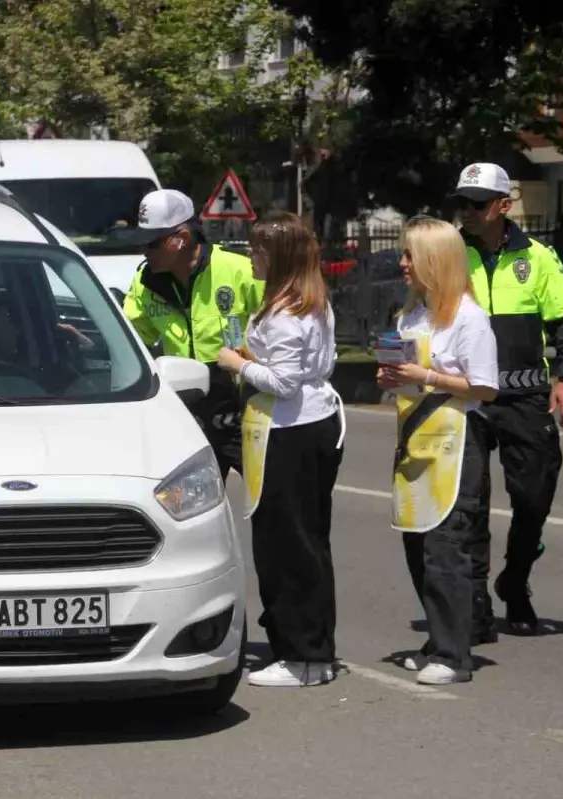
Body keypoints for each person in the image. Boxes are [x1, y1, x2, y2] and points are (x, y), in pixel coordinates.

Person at [453, 163, 563, 638]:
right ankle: (473, 608)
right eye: (461, 203)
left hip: (525, 396)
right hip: (466, 397)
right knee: (467, 506)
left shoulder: (540, 257)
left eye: (477, 203)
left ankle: (515, 579)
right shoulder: (450, 254)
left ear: (503, 206)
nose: (466, 212)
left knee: (533, 498)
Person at [215, 211, 345, 688]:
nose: (251, 257)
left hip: (290, 429)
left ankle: (303, 656)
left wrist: (237, 364)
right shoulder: (309, 303)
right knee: (306, 542)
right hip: (311, 423)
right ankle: (312, 648)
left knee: (288, 544)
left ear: (279, 257)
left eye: (258, 251)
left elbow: (286, 383)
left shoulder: (289, 314)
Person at [379, 216, 499, 685]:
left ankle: (453, 655)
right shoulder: (411, 314)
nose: (402, 263)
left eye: (410, 255)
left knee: (445, 548)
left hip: (455, 442)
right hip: (415, 437)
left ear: (434, 260)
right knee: (418, 541)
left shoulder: (469, 317)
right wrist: (391, 377)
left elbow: (485, 388)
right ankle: (437, 640)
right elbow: (405, 370)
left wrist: (426, 377)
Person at [122, 189, 264, 479]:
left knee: (271, 504)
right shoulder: (144, 282)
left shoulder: (238, 270)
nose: (144, 251)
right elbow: (132, 339)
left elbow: (283, 321)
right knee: (196, 511)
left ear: (182, 238)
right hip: (186, 416)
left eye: (152, 243)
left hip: (243, 411)